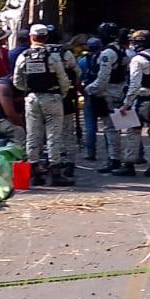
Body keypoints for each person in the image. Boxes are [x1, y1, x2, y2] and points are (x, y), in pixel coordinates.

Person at [13, 24, 74, 187]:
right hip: (52, 97)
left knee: (33, 135)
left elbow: (17, 82)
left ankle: (34, 173)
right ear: (46, 38)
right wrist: (61, 93)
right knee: (54, 135)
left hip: (32, 98)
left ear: (31, 37)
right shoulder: (52, 56)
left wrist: (29, 89)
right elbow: (63, 79)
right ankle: (55, 173)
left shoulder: (23, 56)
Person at [119, 29, 150, 178]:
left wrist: (126, 103)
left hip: (142, 100)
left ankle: (129, 164)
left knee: (132, 132)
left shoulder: (138, 60)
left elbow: (134, 84)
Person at [88, 22, 128, 174]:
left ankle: (115, 160)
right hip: (120, 92)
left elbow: (103, 78)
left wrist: (90, 89)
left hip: (109, 94)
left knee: (111, 129)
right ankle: (121, 159)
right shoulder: (123, 51)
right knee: (121, 129)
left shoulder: (107, 54)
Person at [47, 24, 82, 183]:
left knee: (46, 132)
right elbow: (77, 72)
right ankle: (69, 163)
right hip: (65, 96)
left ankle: (49, 161)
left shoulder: (36, 53)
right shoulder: (65, 53)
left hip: (43, 97)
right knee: (68, 131)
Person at [79, 37, 103, 161]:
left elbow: (78, 79)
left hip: (89, 95)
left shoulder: (82, 61)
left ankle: (90, 153)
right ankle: (112, 154)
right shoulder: (105, 59)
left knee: (90, 125)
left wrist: (84, 92)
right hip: (104, 94)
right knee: (110, 126)